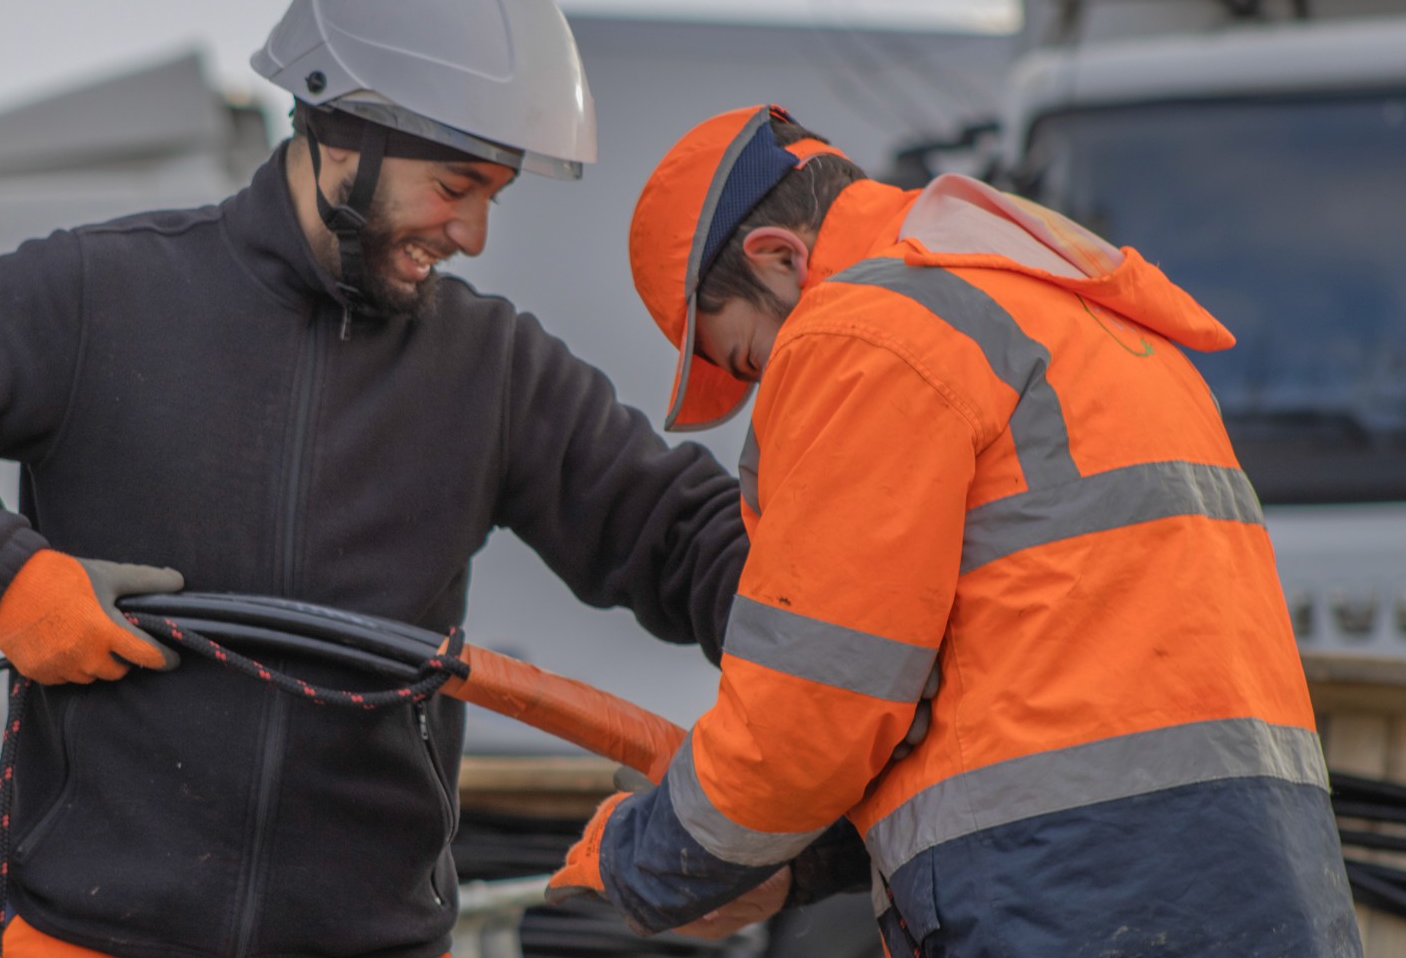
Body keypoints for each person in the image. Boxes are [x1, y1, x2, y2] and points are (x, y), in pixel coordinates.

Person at [0, 0, 859, 958]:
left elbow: (682, 538)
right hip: (91, 938)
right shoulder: (99, 295)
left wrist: (867, 624)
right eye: (455, 186)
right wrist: (5, 575)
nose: (474, 234)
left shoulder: (491, 367)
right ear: (345, 134)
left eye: (494, 196)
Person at [549, 104, 1361, 954]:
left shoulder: (867, 331)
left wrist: (643, 860)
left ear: (780, 257)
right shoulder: (1087, 323)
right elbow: (1034, 694)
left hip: (1067, 897)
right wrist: (800, 865)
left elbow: (814, 710)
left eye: (753, 357)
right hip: (1269, 885)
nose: (770, 389)